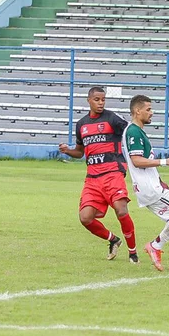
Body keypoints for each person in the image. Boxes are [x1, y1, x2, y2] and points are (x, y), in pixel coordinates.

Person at [58, 86, 138, 263]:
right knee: (85, 218)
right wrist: (67, 151)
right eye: (97, 99)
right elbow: (80, 152)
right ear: (89, 100)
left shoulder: (112, 118)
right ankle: (113, 240)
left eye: (103, 99)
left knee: (121, 210)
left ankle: (133, 253)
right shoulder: (82, 125)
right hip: (92, 179)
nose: (101, 103)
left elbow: (131, 132)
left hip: (113, 173)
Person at [121, 94, 169, 272]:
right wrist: (165, 161)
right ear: (137, 111)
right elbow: (137, 160)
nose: (151, 113)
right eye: (148, 109)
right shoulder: (133, 132)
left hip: (153, 185)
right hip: (149, 189)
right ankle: (156, 245)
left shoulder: (137, 131)